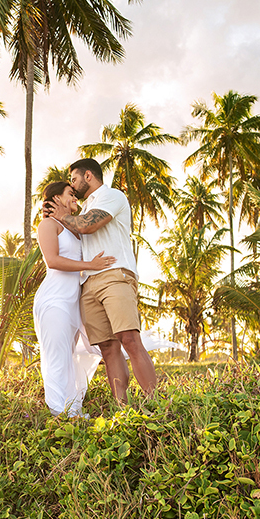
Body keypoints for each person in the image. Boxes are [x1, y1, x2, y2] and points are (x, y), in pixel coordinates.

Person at [45, 158, 157, 405]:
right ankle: (122, 408)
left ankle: (157, 403)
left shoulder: (113, 196)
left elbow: (88, 226)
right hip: (89, 283)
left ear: (88, 176)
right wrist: (55, 216)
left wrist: (63, 215)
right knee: (108, 348)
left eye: (74, 179)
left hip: (115, 274)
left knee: (129, 338)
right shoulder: (82, 209)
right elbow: (67, 235)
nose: (72, 187)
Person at [33, 181, 115, 417]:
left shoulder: (75, 229)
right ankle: (60, 413)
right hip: (55, 301)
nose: (76, 199)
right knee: (57, 357)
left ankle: (71, 409)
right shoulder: (48, 225)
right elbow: (53, 261)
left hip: (73, 303)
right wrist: (90, 265)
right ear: (56, 198)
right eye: (71, 194)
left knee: (72, 357)